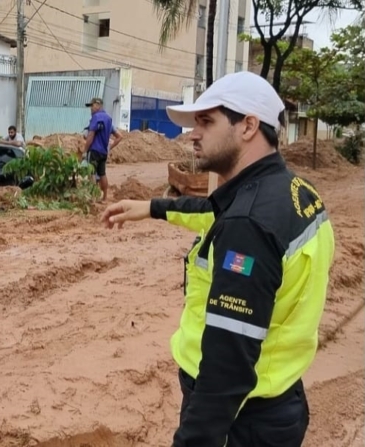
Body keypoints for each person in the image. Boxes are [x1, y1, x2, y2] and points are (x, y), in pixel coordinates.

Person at [100, 71, 335, 447]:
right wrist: (152, 207)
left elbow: (227, 370)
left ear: (248, 126)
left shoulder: (248, 226)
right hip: (279, 398)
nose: (193, 133)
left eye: (206, 122)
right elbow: (214, 209)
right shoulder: (294, 192)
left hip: (240, 420)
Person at [81, 98, 123, 201]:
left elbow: (91, 135)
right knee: (102, 174)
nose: (91, 108)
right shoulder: (108, 119)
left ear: (98, 105)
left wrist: (85, 150)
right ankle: (104, 197)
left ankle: (92, 197)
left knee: (91, 173)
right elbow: (119, 136)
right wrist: (109, 147)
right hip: (103, 152)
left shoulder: (96, 117)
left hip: (94, 150)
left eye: (92, 105)